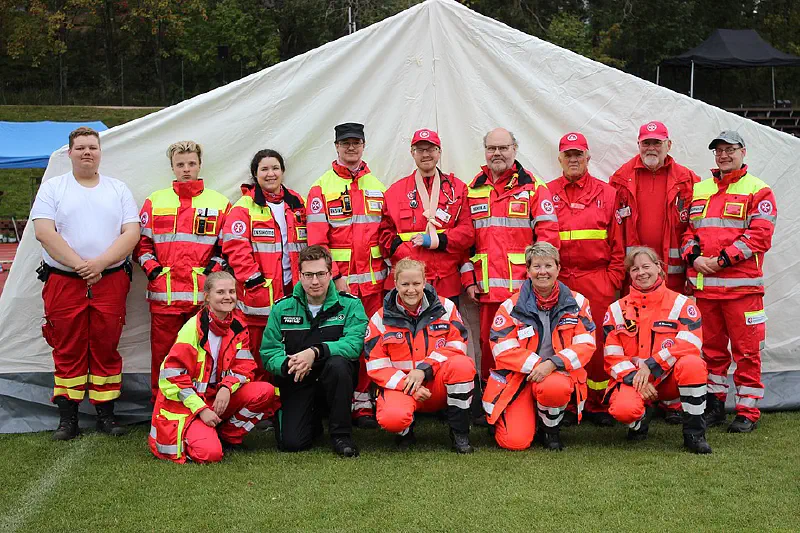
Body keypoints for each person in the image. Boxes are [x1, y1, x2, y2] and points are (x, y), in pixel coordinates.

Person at [31, 126, 139, 440]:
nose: (87, 152)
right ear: (69, 153)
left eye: (92, 147)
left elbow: (131, 233)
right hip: (65, 280)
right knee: (66, 346)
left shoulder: (117, 189)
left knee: (106, 344)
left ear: (100, 152)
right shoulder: (53, 188)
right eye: (80, 148)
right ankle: (69, 418)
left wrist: (100, 264)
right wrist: (81, 266)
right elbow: (44, 232)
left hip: (111, 279)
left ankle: (107, 416)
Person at [681, 131, 776, 433]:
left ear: (743, 152)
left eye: (729, 150)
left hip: (743, 291)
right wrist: (693, 258)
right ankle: (715, 404)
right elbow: (687, 231)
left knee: (747, 352)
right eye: (718, 151)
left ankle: (748, 410)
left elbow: (759, 237)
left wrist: (720, 261)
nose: (723, 155)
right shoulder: (699, 189)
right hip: (707, 291)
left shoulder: (759, 191)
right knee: (711, 352)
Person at [609, 121, 700, 424]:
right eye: (646, 143)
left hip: (673, 278)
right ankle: (638, 393)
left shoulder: (688, 180)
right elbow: (615, 230)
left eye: (657, 143)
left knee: (673, 336)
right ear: (638, 145)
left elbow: (694, 229)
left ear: (668, 145)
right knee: (635, 338)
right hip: (635, 278)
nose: (651, 148)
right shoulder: (621, 179)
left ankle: (673, 403)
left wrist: (691, 268)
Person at [134, 141, 231, 400]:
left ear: (200, 165)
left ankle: (200, 405)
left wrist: (210, 272)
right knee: (163, 356)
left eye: (191, 163)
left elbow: (226, 247)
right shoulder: (155, 201)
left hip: (202, 298)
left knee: (201, 355)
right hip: (164, 299)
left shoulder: (219, 203)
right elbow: (141, 245)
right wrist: (154, 271)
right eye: (180, 164)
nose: (186, 169)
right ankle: (161, 406)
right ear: (172, 167)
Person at [149, 271, 280, 463]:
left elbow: (244, 366)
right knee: (210, 454)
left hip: (215, 394)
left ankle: (227, 436)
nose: (228, 297)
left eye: (231, 291)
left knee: (267, 391)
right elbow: (171, 377)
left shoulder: (237, 325)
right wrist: (201, 409)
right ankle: (201, 433)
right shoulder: (192, 329)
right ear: (207, 297)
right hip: (188, 403)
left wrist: (227, 387)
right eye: (221, 292)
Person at [306, 123, 386, 427]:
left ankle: (363, 399)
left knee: (368, 341)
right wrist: (336, 275)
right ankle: (335, 399)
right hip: (336, 287)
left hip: (374, 285)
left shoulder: (378, 186)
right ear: (336, 147)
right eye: (345, 143)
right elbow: (316, 241)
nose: (350, 148)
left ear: (364, 146)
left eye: (356, 143)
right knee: (336, 341)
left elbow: (385, 234)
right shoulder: (320, 188)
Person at [465, 128, 560, 383]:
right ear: (485, 152)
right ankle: (490, 396)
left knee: (525, 344)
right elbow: (463, 242)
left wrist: (539, 280)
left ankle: (524, 395)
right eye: (492, 148)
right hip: (485, 290)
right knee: (489, 344)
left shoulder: (533, 188)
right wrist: (468, 281)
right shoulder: (472, 190)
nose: (497, 153)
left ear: (514, 150)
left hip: (524, 290)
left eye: (503, 148)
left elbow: (548, 239)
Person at [482, 242, 595, 451]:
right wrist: (538, 365)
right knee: (514, 442)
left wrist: (551, 365)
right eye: (536, 266)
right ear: (527, 270)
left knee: (554, 386)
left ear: (558, 268)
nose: (542, 272)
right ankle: (522, 413)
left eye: (548, 266)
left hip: (556, 374)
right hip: (518, 378)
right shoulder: (511, 306)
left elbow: (586, 344)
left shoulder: (578, 303)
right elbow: (501, 347)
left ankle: (549, 430)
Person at [261, 245, 368, 457]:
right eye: (308, 275)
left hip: (334, 378)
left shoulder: (350, 305)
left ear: (330, 274)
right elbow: (269, 352)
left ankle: (341, 435)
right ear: (299, 275)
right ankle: (312, 421)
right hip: (298, 378)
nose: (315, 281)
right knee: (292, 444)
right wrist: (288, 364)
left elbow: (354, 345)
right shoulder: (282, 308)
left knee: (339, 365)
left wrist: (315, 352)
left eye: (320, 274)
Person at [547, 132, 624, 426]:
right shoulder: (547, 192)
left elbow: (620, 244)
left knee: (599, 342)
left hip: (597, 280)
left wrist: (613, 281)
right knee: (562, 341)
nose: (574, 159)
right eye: (568, 154)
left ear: (588, 158)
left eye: (579, 154)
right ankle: (567, 402)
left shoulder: (608, 194)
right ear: (560, 159)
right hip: (561, 280)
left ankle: (598, 403)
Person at [603, 247, 712, 454]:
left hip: (669, 379)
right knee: (623, 410)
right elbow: (612, 355)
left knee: (693, 364)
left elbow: (691, 343)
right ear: (629, 274)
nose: (641, 272)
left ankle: (694, 434)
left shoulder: (681, 304)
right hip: (635, 380)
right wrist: (637, 377)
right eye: (635, 269)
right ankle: (640, 421)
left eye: (646, 266)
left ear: (659, 268)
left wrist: (651, 366)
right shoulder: (616, 309)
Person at [365, 258, 476, 453]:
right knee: (392, 418)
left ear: (425, 282)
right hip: (402, 388)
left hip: (437, 384)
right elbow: (376, 365)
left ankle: (460, 433)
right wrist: (407, 386)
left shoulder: (446, 308)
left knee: (463, 365)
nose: (411, 290)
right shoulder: (380, 319)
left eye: (416, 283)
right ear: (395, 284)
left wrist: (424, 370)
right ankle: (405, 432)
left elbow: (458, 345)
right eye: (405, 284)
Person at [222, 149, 307, 373]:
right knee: (259, 351)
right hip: (259, 295)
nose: (271, 174)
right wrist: (253, 281)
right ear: (255, 174)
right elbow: (234, 246)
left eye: (275, 168)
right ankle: (261, 401)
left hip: (294, 289)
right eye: (264, 169)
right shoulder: (243, 207)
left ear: (283, 172)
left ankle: (284, 398)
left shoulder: (297, 202)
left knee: (292, 346)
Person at [379, 129, 474, 307]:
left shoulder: (458, 189)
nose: (425, 154)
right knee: (407, 333)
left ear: (439, 151)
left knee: (446, 332)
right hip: (408, 283)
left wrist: (437, 240)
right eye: (420, 149)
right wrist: (403, 251)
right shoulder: (395, 191)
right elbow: (385, 233)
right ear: (412, 153)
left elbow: (467, 233)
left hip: (445, 281)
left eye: (430, 149)